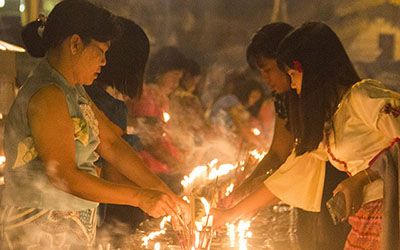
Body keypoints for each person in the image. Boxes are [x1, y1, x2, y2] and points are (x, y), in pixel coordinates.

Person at [0, 1, 187, 248]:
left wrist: (166, 194)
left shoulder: (73, 89)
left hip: (68, 227)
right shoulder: (48, 94)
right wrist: (141, 197)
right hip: (40, 229)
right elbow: (64, 175)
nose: (104, 62)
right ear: (75, 44)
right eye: (100, 51)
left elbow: (112, 144)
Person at [214, 22, 400, 249]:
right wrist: (234, 211)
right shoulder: (330, 119)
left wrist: (361, 179)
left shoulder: (363, 96)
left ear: (313, 70)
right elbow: (292, 173)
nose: (292, 84)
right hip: (364, 216)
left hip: (391, 212)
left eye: (293, 74)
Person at [219, 22, 349, 250]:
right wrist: (245, 194)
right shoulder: (290, 98)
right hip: (313, 195)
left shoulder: (345, 102)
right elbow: (280, 155)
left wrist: (238, 209)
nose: (265, 79)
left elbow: (301, 165)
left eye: (269, 69)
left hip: (338, 194)